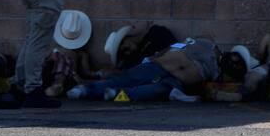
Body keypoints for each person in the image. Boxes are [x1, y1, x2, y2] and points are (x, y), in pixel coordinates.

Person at [67, 38, 221, 103]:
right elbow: (174, 48)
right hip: (160, 66)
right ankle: (86, 89)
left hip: (174, 79)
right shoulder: (204, 45)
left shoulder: (212, 63)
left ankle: (113, 93)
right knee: (126, 79)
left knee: (157, 89)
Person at [43, 10, 100, 97]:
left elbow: (87, 73)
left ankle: (57, 84)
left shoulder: (81, 54)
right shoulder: (55, 49)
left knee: (62, 58)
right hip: (51, 74)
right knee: (59, 57)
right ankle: (57, 84)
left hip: (68, 78)